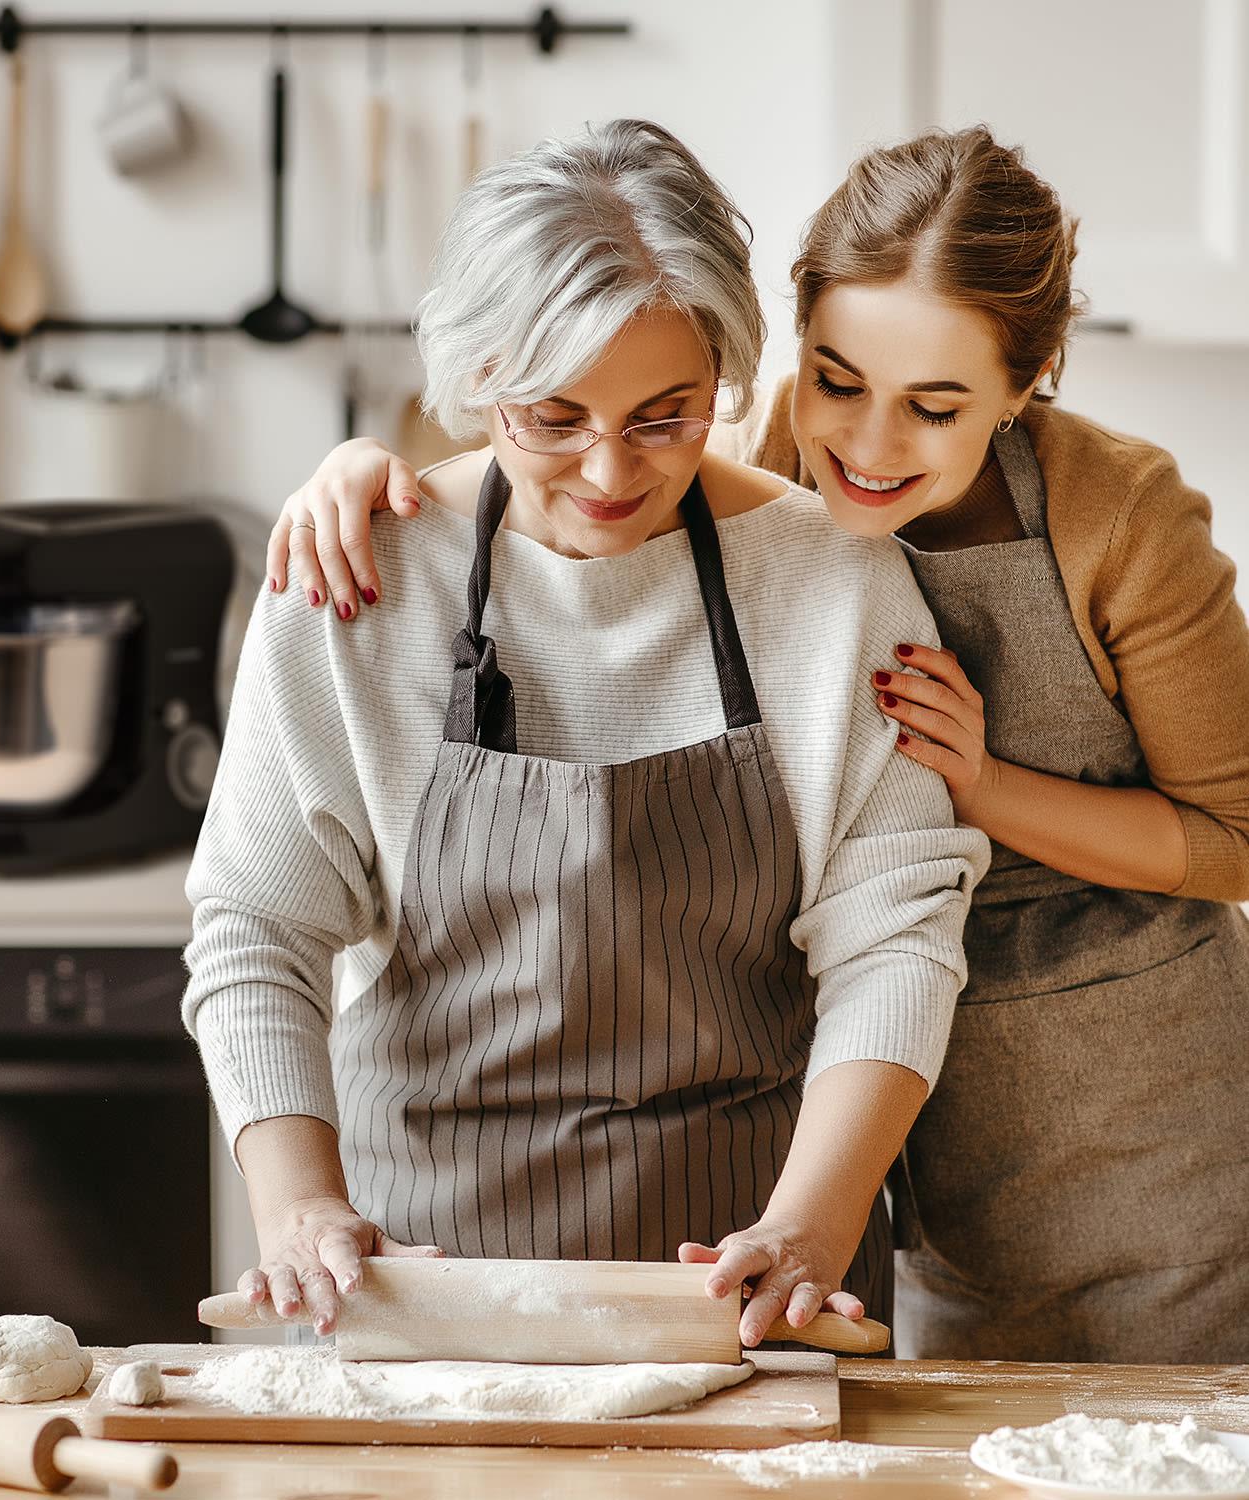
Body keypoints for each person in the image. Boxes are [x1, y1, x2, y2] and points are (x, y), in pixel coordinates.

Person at [266, 125, 1249, 1364]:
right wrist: (367, 475)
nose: (871, 447)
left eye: (935, 408)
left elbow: (1231, 841)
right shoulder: (772, 470)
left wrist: (983, 786)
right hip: (914, 1134)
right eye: (837, 380)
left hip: (1139, 1114)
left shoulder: (1113, 520)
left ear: (1030, 380)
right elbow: (587, 449)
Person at [184, 119, 987, 1349]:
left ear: (725, 372)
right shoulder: (355, 581)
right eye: (552, 419)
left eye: (668, 417)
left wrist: (813, 1229)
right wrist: (299, 1210)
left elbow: (897, 936)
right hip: (420, 1290)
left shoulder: (832, 583)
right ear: (476, 380)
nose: (611, 472)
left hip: (751, 1288)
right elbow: (256, 925)